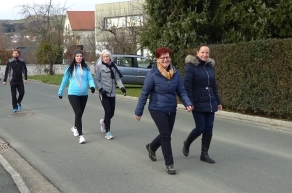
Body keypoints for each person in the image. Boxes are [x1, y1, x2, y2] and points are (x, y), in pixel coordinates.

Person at [135, 47, 192, 175]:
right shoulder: (152, 74)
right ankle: (169, 164)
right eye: (162, 58)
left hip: (171, 108)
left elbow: (181, 91)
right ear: (157, 59)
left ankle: (152, 147)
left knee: (166, 133)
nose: (165, 60)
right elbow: (144, 94)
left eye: (167, 57)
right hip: (157, 108)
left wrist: (187, 103)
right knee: (166, 135)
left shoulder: (175, 73)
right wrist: (139, 111)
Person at [183, 45, 223, 163]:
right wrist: (189, 102)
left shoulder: (210, 66)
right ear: (197, 52)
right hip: (197, 101)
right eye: (202, 52)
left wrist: (218, 101)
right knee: (200, 128)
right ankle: (187, 143)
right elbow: (187, 86)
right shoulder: (191, 66)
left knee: (209, 128)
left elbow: (213, 86)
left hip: (210, 102)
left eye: (207, 53)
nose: (205, 55)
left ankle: (204, 154)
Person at [58, 50, 96, 144]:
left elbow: (90, 79)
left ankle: (75, 127)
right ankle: (81, 136)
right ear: (74, 57)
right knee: (78, 112)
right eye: (77, 56)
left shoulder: (86, 68)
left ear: (82, 57)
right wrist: (60, 92)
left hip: (84, 94)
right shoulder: (69, 68)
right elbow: (64, 81)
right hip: (73, 94)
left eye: (80, 56)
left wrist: (92, 86)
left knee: (79, 114)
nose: (79, 57)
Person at [94, 49, 126, 139]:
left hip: (112, 93)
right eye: (104, 57)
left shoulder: (113, 66)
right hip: (103, 93)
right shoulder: (100, 67)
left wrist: (122, 87)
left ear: (110, 57)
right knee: (107, 111)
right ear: (102, 58)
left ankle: (104, 122)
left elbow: (117, 78)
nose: (106, 58)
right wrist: (101, 89)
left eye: (107, 56)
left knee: (111, 113)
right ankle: (108, 132)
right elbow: (96, 80)